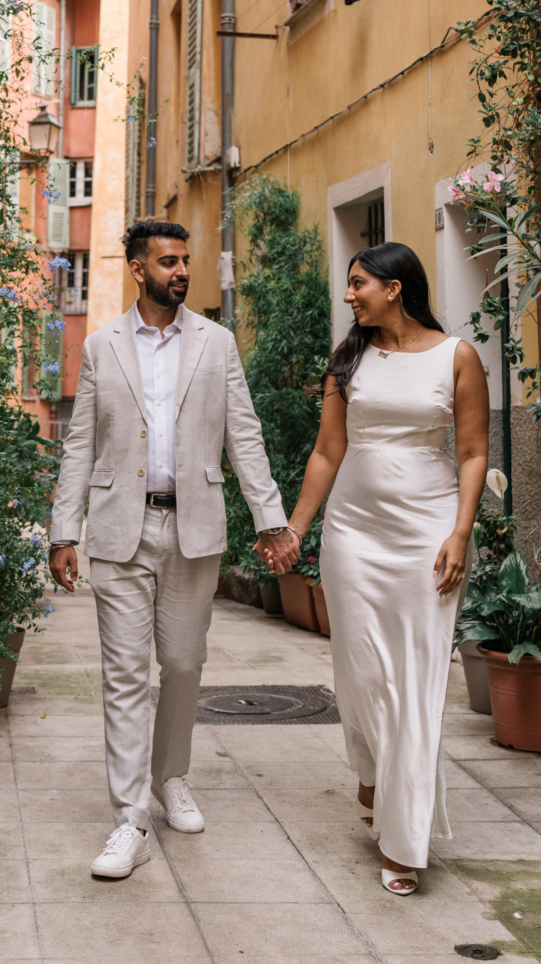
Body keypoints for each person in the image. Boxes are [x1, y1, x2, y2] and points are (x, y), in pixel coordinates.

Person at [49, 219, 299, 879]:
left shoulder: (216, 343)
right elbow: (81, 442)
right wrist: (62, 530)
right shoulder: (102, 346)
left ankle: (170, 777)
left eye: (185, 260)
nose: (181, 271)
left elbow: (243, 433)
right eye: (167, 261)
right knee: (126, 676)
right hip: (118, 529)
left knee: (183, 664)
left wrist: (269, 519)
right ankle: (129, 819)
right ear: (138, 269)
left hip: (193, 528)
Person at [267, 241, 488, 896]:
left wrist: (460, 532)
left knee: (414, 682)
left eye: (357, 283)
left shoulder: (457, 356)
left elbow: (473, 453)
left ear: (394, 287)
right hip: (354, 536)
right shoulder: (347, 361)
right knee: (361, 675)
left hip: (426, 532)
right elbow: (327, 452)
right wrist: (296, 529)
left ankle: (401, 840)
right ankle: (369, 769)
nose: (347, 295)